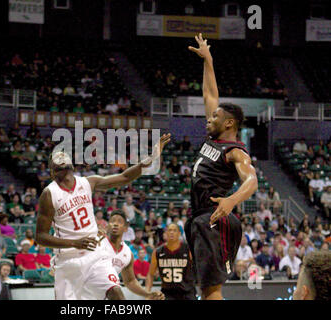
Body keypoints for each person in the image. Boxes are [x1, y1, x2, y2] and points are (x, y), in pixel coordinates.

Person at [35, 134, 171, 300]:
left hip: (94, 256)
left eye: (63, 154)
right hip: (67, 262)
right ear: (52, 170)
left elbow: (125, 177)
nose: (60, 155)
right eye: (56, 156)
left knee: (116, 292)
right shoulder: (49, 194)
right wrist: (74, 243)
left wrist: (152, 157)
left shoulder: (87, 182)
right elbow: (40, 236)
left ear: (72, 164)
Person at [185, 33, 258, 300]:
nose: (209, 117)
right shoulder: (213, 139)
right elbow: (210, 93)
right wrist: (208, 61)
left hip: (214, 217)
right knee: (205, 290)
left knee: (211, 290)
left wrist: (231, 201)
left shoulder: (235, 151)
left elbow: (252, 181)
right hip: (199, 217)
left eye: (215, 116)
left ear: (229, 123)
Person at [100, 210, 164, 300]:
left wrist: (147, 294)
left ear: (126, 228)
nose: (115, 224)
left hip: (102, 296)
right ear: (107, 225)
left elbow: (130, 281)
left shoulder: (127, 253)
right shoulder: (98, 241)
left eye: (119, 222)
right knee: (115, 289)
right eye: (112, 221)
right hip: (80, 293)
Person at [146, 223, 196, 300]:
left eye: (174, 230)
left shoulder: (188, 249)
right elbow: (150, 274)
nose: (172, 232)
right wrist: (147, 293)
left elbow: (198, 268)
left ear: (179, 234)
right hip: (168, 293)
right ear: (166, 233)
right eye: (169, 230)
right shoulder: (158, 252)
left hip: (187, 292)